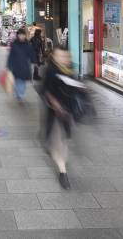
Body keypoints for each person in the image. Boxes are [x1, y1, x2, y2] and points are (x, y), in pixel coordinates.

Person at [40, 46, 83, 189]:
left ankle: (57, 156)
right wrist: (53, 101)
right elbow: (44, 90)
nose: (63, 59)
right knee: (58, 144)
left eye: (65, 56)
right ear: (53, 57)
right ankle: (62, 172)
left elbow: (76, 89)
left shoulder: (70, 70)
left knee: (65, 141)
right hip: (54, 114)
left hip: (68, 113)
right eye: (59, 56)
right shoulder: (50, 71)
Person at [7, 28, 36, 102]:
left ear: (25, 36)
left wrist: (34, 61)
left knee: (22, 81)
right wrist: (9, 65)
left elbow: (31, 54)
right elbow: (11, 55)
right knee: (17, 80)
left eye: (23, 35)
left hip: (24, 66)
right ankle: (18, 93)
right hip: (16, 65)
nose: (21, 36)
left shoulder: (28, 44)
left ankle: (20, 94)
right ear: (17, 35)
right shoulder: (14, 44)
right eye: (20, 35)